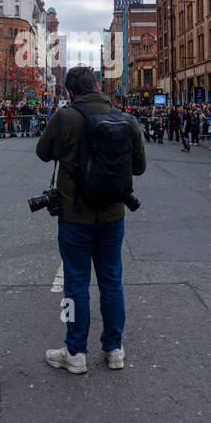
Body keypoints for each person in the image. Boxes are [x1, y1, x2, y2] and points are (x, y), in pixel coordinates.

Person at [35, 66, 146, 375]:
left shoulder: (65, 117)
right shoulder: (126, 119)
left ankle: (76, 353)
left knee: (76, 284)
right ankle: (114, 350)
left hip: (75, 215)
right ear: (97, 85)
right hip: (113, 214)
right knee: (112, 281)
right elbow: (139, 168)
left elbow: (42, 153)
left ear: (71, 91)